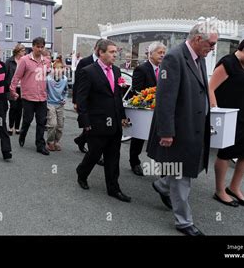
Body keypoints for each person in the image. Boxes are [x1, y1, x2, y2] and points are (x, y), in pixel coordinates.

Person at [147, 18, 218, 236]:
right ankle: (184, 222)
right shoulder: (173, 57)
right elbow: (165, 98)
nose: (212, 49)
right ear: (198, 39)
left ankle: (161, 184)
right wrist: (166, 132)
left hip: (194, 125)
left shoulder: (199, 56)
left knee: (181, 169)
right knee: (182, 176)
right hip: (179, 128)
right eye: (211, 44)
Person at [209, 36, 244, 207]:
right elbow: (210, 88)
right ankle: (219, 190)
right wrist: (216, 111)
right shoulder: (227, 63)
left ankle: (234, 187)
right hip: (228, 113)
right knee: (225, 153)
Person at [75, 39, 131, 202]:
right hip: (97, 121)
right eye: (112, 52)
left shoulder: (116, 71)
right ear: (101, 52)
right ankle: (82, 172)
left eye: (116, 52)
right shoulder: (88, 71)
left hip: (114, 121)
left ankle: (114, 188)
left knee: (113, 156)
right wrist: (85, 123)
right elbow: (82, 99)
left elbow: (117, 97)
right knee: (94, 153)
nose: (116, 55)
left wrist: (122, 117)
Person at [128, 42, 166, 176]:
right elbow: (137, 90)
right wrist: (150, 97)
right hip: (144, 109)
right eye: (159, 52)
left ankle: (161, 164)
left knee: (160, 137)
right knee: (138, 137)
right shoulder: (142, 69)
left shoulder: (164, 69)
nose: (162, 55)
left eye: (163, 53)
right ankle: (134, 161)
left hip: (160, 110)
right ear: (150, 54)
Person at [10, 37, 51, 156]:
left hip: (42, 96)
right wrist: (12, 90)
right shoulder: (24, 60)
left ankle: (40, 145)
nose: (40, 49)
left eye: (42, 47)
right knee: (27, 120)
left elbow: (48, 75)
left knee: (41, 122)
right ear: (33, 47)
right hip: (28, 96)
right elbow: (17, 76)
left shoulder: (46, 61)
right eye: (37, 46)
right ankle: (23, 133)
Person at [73, 39, 103, 156]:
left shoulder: (105, 63)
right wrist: (76, 101)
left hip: (98, 100)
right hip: (86, 99)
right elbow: (78, 82)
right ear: (96, 48)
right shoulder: (85, 62)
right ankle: (94, 154)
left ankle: (81, 140)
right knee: (91, 125)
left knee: (94, 125)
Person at [45, 60, 68, 152]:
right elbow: (44, 90)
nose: (60, 70)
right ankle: (50, 142)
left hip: (60, 104)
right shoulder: (48, 79)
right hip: (50, 103)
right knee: (52, 124)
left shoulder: (65, 79)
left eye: (62, 68)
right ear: (53, 69)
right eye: (58, 68)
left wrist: (64, 98)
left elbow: (66, 91)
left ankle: (56, 141)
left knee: (60, 125)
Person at [6, 44, 26, 135]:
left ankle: (17, 127)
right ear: (18, 51)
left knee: (20, 108)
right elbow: (6, 75)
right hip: (12, 88)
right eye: (22, 50)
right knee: (13, 107)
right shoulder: (9, 61)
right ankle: (10, 127)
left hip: (22, 88)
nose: (24, 52)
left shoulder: (25, 61)